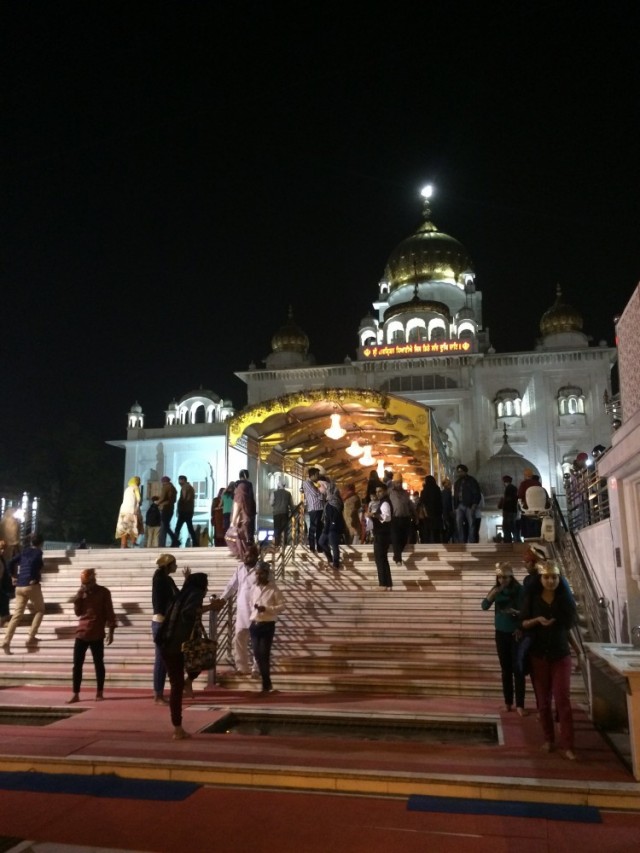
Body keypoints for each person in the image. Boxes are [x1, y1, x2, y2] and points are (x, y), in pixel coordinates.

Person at [520, 561, 578, 759]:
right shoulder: (533, 598)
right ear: (540, 578)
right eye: (546, 577)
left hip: (561, 654)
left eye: (554, 577)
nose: (551, 581)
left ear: (559, 579)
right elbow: (523, 623)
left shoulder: (564, 600)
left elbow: (568, 628)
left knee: (563, 700)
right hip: (539, 656)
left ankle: (568, 744)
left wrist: (578, 652)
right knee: (543, 702)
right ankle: (548, 739)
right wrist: (537, 620)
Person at [155, 572, 222, 739]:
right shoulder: (196, 594)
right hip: (177, 646)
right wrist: (211, 607)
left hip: (166, 643)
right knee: (199, 664)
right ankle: (177, 729)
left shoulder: (182, 594)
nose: (207, 588)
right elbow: (189, 612)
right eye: (206, 584)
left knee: (177, 684)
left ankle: (178, 727)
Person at [481, 562, 526, 715]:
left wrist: (517, 615)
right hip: (501, 633)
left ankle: (520, 704)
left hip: (516, 633)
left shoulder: (520, 590)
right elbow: (484, 606)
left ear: (511, 577)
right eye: (500, 577)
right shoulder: (497, 589)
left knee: (518, 669)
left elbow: (527, 611)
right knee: (505, 669)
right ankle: (508, 702)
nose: (502, 580)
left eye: (505, 577)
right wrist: (492, 595)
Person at [67, 569, 116, 704]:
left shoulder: (104, 592)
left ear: (94, 581)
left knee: (98, 663)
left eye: (87, 584)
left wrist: (111, 631)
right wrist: (78, 599)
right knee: (77, 664)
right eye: (84, 584)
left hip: (97, 633)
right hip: (81, 632)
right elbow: (78, 613)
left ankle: (99, 692)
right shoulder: (81, 593)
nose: (86, 586)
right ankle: (75, 693)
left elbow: (110, 612)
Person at [151, 553, 190, 704]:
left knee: (165, 658)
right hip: (162, 622)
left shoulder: (165, 579)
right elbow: (175, 599)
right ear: (168, 565)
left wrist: (186, 582)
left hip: (165, 622)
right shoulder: (160, 580)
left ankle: (161, 692)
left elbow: (178, 597)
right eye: (174, 564)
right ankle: (158, 695)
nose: (176, 566)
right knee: (161, 659)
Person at [219, 544, 260, 674]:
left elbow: (268, 588)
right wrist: (222, 599)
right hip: (242, 610)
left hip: (257, 610)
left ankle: (257, 668)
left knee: (257, 641)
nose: (245, 558)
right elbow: (231, 586)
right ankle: (242, 668)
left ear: (256, 556)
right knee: (239, 639)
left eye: (249, 556)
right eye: (245, 555)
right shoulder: (240, 568)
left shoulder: (262, 570)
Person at [2, 533, 45, 653]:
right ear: (41, 543)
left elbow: (10, 562)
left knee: (17, 615)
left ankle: (6, 641)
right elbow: (36, 564)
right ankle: (31, 636)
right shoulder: (38, 553)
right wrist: (34, 577)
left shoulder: (24, 551)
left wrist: (12, 576)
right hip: (31, 586)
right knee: (40, 610)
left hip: (19, 586)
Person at [249, 561, 285, 693]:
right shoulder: (253, 588)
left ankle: (266, 683)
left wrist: (267, 609)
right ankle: (266, 682)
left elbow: (282, 606)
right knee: (257, 654)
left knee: (264, 654)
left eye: (261, 574)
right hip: (254, 624)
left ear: (266, 574)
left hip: (267, 624)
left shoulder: (273, 589)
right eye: (257, 573)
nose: (258, 576)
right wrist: (255, 610)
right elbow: (250, 602)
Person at [367, 483, 393, 590]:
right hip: (382, 534)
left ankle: (383, 584)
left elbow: (387, 517)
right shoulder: (383, 502)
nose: (378, 493)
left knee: (380, 559)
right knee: (382, 559)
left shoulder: (385, 503)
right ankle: (387, 584)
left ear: (385, 491)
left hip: (382, 535)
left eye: (380, 491)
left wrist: (373, 515)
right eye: (377, 492)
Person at [317, 477, 344, 569]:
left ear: (326, 486)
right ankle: (330, 559)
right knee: (321, 542)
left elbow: (336, 514)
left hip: (334, 526)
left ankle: (336, 563)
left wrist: (333, 524)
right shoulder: (329, 500)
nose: (319, 488)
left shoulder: (334, 500)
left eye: (320, 486)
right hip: (328, 526)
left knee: (333, 543)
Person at [388, 475, 415, 565]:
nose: (399, 484)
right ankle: (398, 559)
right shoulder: (390, 492)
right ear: (394, 483)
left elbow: (410, 504)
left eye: (400, 482)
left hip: (405, 519)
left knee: (404, 539)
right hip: (394, 519)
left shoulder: (405, 493)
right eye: (397, 483)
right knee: (395, 538)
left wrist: (415, 515)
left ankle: (397, 555)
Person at [230, 469, 256, 558]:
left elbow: (233, 497)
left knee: (238, 528)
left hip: (237, 508)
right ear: (246, 476)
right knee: (248, 529)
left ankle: (238, 549)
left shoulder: (236, 484)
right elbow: (251, 497)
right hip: (247, 509)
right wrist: (253, 510)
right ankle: (246, 549)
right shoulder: (248, 484)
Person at [453, 464, 482, 543]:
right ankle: (461, 542)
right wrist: (455, 506)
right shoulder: (457, 483)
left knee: (471, 524)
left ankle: (471, 542)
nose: (460, 473)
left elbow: (477, 493)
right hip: (459, 505)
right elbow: (455, 495)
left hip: (469, 505)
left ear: (465, 471)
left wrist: (474, 504)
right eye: (458, 472)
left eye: (461, 471)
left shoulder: (472, 481)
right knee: (458, 524)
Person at [301, 467, 325, 553]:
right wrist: (321, 494)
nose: (318, 476)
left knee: (319, 529)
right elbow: (315, 493)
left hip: (320, 508)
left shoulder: (314, 483)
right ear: (313, 475)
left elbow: (321, 494)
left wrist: (321, 494)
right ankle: (312, 547)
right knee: (313, 528)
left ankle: (319, 547)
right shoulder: (306, 483)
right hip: (314, 508)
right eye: (317, 475)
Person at [115, 476, 143, 548]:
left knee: (124, 527)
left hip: (123, 510)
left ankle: (123, 544)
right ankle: (133, 542)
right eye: (139, 481)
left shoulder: (127, 489)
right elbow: (139, 499)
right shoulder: (135, 488)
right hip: (132, 510)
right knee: (134, 526)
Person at [418, 475, 443, 543]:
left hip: (427, 514)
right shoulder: (437, 489)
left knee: (427, 531)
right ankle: (436, 542)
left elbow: (422, 502)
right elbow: (440, 502)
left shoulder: (424, 491)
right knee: (436, 532)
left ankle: (428, 542)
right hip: (437, 514)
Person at [270, 477, 293, 548]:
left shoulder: (274, 493)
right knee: (284, 529)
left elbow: (271, 503)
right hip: (285, 513)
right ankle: (284, 544)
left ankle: (277, 544)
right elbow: (291, 504)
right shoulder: (288, 493)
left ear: (278, 486)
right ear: (284, 485)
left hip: (276, 513)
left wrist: (276, 504)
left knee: (277, 528)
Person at [175, 475, 197, 546]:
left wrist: (180, 507)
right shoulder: (190, 487)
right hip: (189, 510)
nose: (179, 482)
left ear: (183, 480)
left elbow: (184, 498)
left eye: (180, 480)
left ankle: (175, 542)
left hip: (184, 510)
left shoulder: (185, 487)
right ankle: (195, 542)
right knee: (190, 527)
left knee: (178, 528)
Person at [158, 476, 179, 548]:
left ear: (163, 481)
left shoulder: (166, 487)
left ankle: (161, 544)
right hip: (171, 508)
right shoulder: (173, 488)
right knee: (166, 526)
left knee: (163, 526)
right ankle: (175, 540)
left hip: (165, 508)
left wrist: (156, 503)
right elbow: (174, 500)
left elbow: (162, 498)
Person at [498, 476, 519, 543]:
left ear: (504, 482)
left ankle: (507, 541)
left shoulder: (508, 488)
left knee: (506, 527)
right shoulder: (515, 488)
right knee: (513, 527)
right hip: (514, 510)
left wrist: (502, 501)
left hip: (507, 510)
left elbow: (508, 499)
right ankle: (517, 541)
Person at [0, 539, 14, 628]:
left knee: (4, 599)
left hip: (2, 583)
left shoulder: (2, 559)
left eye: (4, 549)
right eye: (1, 549)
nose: (2, 551)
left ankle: (4, 619)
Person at [441, 477, 454, 543]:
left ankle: (445, 541)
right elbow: (447, 504)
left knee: (447, 529)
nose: (450, 485)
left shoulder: (443, 492)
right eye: (449, 484)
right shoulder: (447, 492)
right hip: (447, 514)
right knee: (450, 529)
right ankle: (445, 541)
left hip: (445, 514)